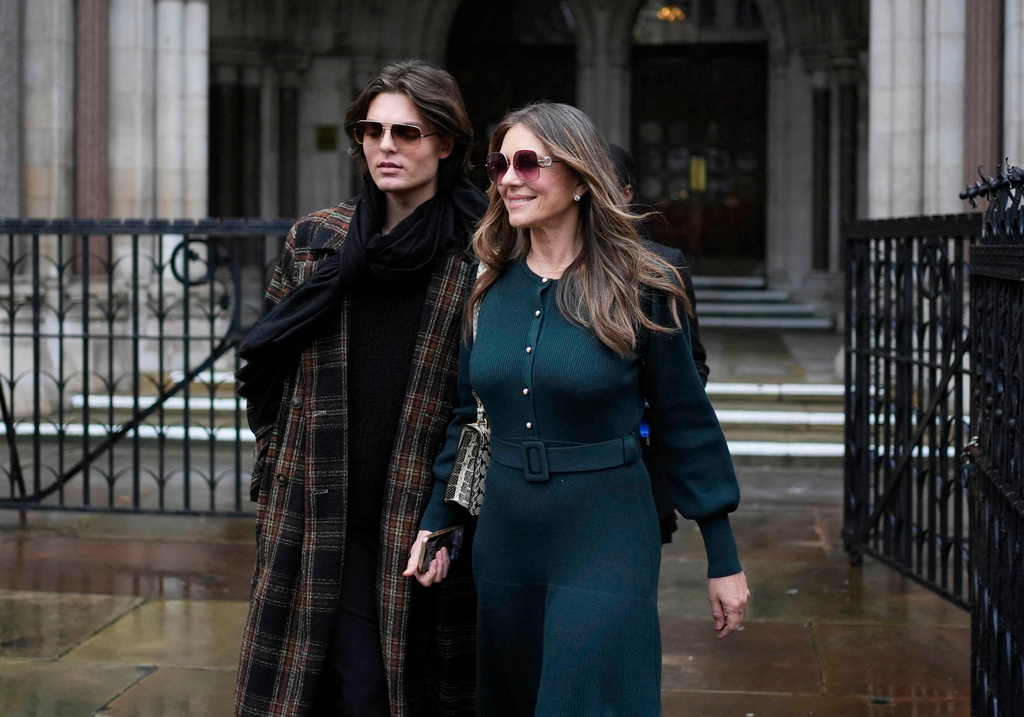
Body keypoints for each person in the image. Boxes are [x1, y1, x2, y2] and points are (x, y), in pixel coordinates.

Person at [406, 102, 749, 716]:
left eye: (528, 163)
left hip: (606, 531)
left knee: (588, 696)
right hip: (507, 536)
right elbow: (468, 418)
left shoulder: (643, 284)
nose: (508, 178)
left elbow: (685, 421)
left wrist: (721, 558)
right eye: (499, 164)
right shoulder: (485, 286)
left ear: (580, 178)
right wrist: (440, 520)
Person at [233, 60, 486, 717]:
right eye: (371, 131)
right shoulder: (318, 239)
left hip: (423, 510)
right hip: (322, 507)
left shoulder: (481, 252)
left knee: (426, 685)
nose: (385, 146)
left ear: (446, 143)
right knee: (355, 688)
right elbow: (266, 365)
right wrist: (278, 462)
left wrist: (454, 506)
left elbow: (486, 394)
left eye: (407, 132)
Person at [607, 142, 710, 544]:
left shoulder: (663, 267)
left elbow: (692, 364)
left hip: (641, 459)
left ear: (627, 194)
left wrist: (647, 407)